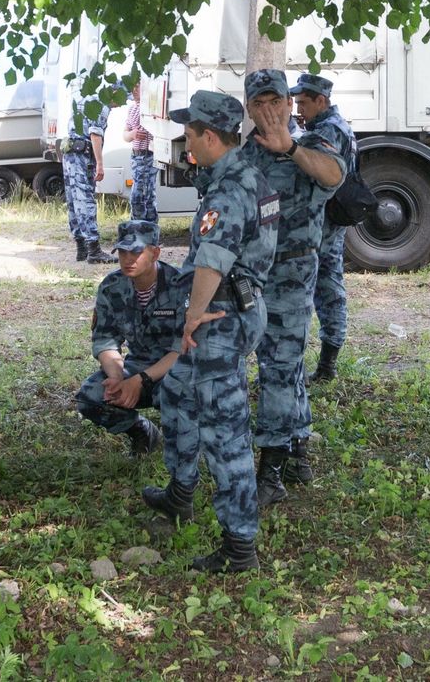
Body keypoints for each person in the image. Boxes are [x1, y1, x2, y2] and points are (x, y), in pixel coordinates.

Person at [142, 90, 279, 573]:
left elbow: (213, 262)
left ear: (212, 136)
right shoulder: (244, 177)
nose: (185, 140)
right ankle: (181, 493)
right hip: (228, 313)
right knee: (177, 393)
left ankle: (240, 546)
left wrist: (191, 317)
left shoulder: (229, 189)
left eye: (191, 132)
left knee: (225, 432)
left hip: (218, 319)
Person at [239, 70, 346, 507]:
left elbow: (333, 175)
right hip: (252, 279)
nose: (268, 110)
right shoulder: (244, 153)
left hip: (292, 279)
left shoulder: (312, 143)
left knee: (279, 370)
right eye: (258, 103)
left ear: (289, 104)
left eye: (275, 101)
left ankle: (271, 471)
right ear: (249, 109)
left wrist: (291, 148)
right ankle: (298, 447)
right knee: (283, 366)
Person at [74, 220, 182, 456]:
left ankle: (183, 449)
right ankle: (141, 431)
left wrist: (140, 380)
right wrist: (116, 376)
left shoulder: (180, 285)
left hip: (176, 369)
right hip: (138, 364)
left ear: (155, 253)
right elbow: (104, 339)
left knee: (180, 393)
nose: (128, 259)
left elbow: (182, 349)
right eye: (122, 252)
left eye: (136, 251)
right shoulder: (112, 286)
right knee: (91, 395)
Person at [292, 74, 357, 389]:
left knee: (324, 292)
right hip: (327, 224)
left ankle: (326, 364)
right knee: (328, 289)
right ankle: (326, 364)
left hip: (322, 226)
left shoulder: (329, 130)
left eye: (303, 102)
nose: (299, 108)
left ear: (321, 100)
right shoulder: (332, 126)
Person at [60, 93, 114, 264]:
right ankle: (94, 250)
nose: (120, 104)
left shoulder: (86, 98)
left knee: (73, 201)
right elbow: (95, 134)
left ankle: (81, 248)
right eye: (121, 99)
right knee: (85, 201)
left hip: (70, 154)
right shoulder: (101, 104)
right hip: (82, 156)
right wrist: (100, 163)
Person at [122, 84, 159, 224]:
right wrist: (132, 134)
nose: (134, 89)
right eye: (133, 87)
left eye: (138, 86)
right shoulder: (132, 108)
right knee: (143, 193)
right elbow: (125, 134)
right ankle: (142, 230)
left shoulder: (150, 107)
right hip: (136, 156)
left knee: (144, 194)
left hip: (148, 155)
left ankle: (144, 229)